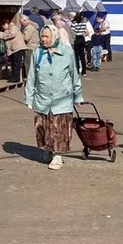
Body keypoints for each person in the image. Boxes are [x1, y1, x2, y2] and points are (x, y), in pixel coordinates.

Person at [24, 25, 84, 170]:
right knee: (43, 126)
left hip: (62, 98)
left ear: (55, 37)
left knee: (58, 128)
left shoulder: (67, 52)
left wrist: (78, 96)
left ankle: (58, 156)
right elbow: (32, 76)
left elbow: (74, 75)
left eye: (46, 37)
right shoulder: (37, 53)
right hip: (42, 98)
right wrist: (29, 97)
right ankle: (48, 149)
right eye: (42, 36)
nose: (43, 39)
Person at [0, 17, 26, 83]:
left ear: (5, 24)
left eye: (3, 26)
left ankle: (16, 78)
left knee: (16, 64)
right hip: (14, 49)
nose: (3, 28)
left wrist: (2, 35)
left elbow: (12, 34)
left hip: (18, 48)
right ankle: (14, 77)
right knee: (14, 63)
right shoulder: (8, 29)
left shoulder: (12, 26)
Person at [20, 15, 40, 80]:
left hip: (30, 47)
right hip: (35, 47)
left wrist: (19, 36)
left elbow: (26, 38)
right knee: (34, 63)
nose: (21, 24)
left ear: (25, 20)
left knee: (28, 63)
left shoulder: (28, 28)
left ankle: (29, 77)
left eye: (21, 22)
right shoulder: (33, 26)